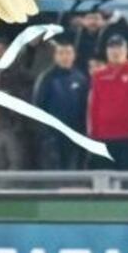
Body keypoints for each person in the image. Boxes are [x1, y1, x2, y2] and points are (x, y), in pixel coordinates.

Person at [87, 34, 128, 169]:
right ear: (107, 52)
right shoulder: (99, 75)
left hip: (127, 135)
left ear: (126, 51)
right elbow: (93, 106)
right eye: (112, 49)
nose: (115, 52)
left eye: (119, 49)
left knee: (125, 176)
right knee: (103, 175)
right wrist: (92, 133)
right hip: (102, 136)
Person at [32, 41, 89, 170]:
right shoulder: (47, 78)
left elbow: (85, 107)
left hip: (76, 135)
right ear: (55, 56)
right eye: (61, 53)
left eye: (68, 53)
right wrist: (46, 133)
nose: (65, 57)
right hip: (53, 137)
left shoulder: (80, 78)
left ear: (74, 55)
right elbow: (38, 107)